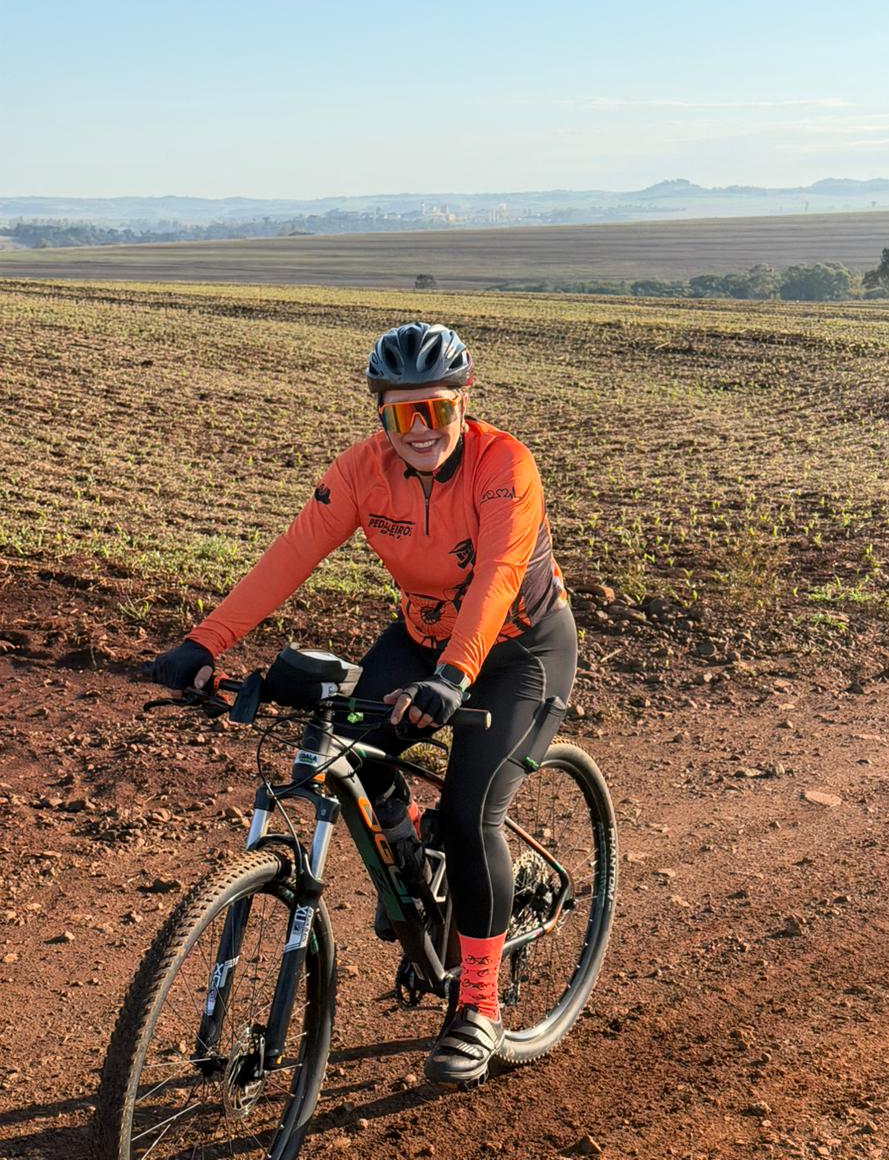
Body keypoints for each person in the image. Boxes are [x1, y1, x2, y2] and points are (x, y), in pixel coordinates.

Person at [145, 321, 577, 1087]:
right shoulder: (361, 473)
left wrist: (453, 678)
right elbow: (292, 555)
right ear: (379, 412)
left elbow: (499, 576)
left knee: (476, 811)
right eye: (401, 413)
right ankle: (411, 852)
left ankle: (476, 1005)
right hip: (421, 638)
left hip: (517, 652)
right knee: (345, 743)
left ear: (462, 405)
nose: (420, 430)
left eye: (436, 411)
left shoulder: (503, 464)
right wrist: (205, 642)